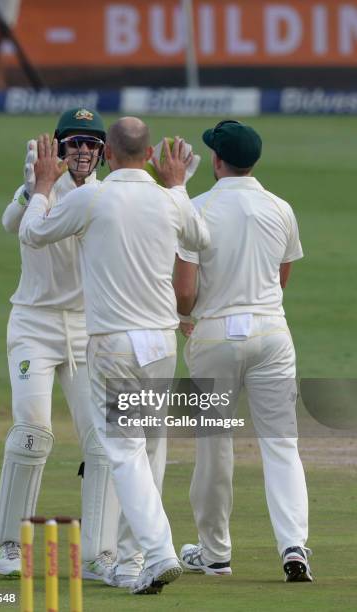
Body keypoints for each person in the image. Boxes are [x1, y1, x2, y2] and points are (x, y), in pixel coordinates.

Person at [18, 117, 210, 594]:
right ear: (148, 157)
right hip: (161, 342)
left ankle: (157, 552)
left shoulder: (92, 196)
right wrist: (179, 187)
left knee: (125, 452)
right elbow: (201, 239)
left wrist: (42, 186)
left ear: (106, 156)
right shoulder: (168, 199)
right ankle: (133, 561)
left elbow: (33, 234)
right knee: (149, 448)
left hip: (112, 343)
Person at [174, 120, 313, 582]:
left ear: (216, 161)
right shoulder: (281, 207)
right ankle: (294, 546)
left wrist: (185, 317)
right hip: (273, 335)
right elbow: (282, 279)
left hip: (214, 337)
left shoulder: (197, 209)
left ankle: (215, 555)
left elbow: (185, 294)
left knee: (215, 449)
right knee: (282, 445)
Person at [0, 108, 119, 580]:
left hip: (88, 329)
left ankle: (99, 553)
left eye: (90, 144)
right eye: (73, 144)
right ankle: (10, 542)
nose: (82, 151)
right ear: (59, 150)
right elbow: (11, 222)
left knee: (103, 441)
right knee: (32, 432)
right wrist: (32, 187)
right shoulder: (40, 190)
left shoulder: (108, 197)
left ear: (103, 152)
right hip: (34, 324)